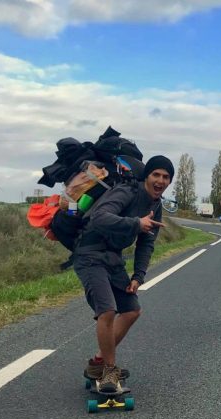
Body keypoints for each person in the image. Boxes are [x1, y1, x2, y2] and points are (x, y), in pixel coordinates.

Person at [75, 155, 173, 392]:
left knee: (131, 310)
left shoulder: (156, 206)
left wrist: (138, 276)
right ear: (147, 176)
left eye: (166, 177)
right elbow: (99, 217)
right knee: (107, 310)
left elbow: (146, 244)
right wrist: (136, 224)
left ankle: (98, 363)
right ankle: (109, 374)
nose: (160, 180)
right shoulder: (127, 191)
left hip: (113, 259)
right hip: (89, 253)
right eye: (156, 175)